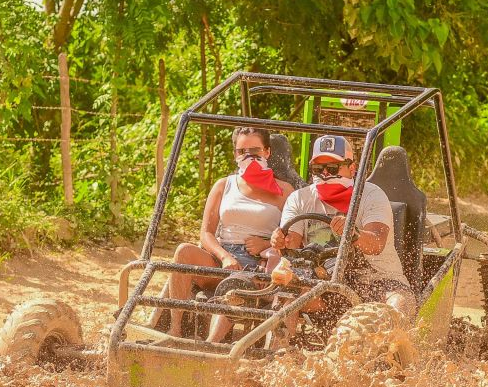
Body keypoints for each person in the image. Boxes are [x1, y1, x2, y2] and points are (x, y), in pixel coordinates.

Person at [269, 135, 416, 331]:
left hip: (377, 281)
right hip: (325, 284)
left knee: (397, 304)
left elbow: (377, 244)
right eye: (318, 169)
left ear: (352, 168)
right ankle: (278, 352)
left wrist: (352, 233)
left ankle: (391, 355)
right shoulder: (300, 198)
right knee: (288, 292)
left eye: (332, 168)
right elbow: (292, 244)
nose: (325, 174)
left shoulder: (372, 195)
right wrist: (280, 241)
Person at [167, 127, 294, 339]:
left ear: (267, 152)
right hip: (222, 257)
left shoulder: (285, 191)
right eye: (242, 152)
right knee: (183, 252)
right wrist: (225, 256)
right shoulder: (224, 185)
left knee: (234, 285)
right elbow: (206, 233)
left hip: (257, 264)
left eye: (255, 151)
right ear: (235, 154)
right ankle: (175, 329)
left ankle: (211, 346)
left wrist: (266, 244)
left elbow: (293, 239)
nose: (249, 157)